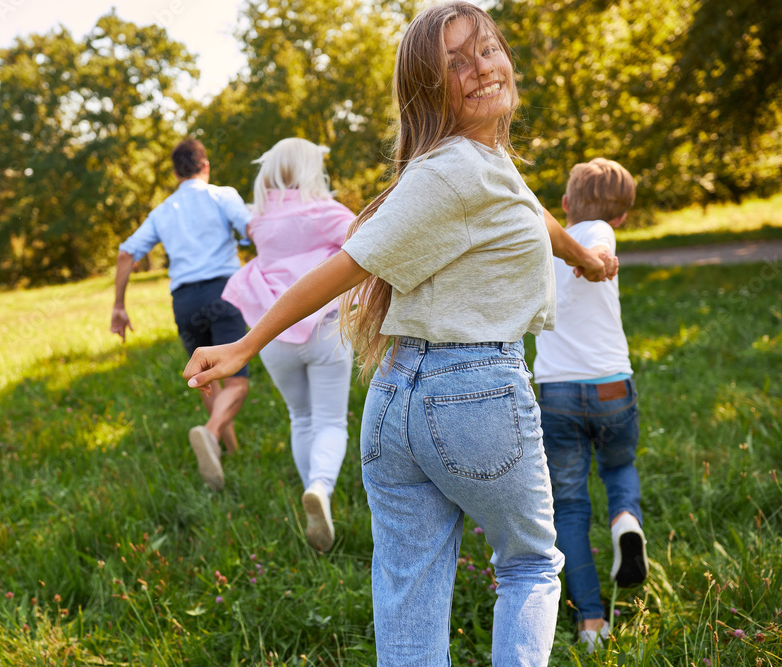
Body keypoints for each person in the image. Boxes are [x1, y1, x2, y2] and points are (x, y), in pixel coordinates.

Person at [183, 3, 618, 664]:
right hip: (475, 393)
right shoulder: (454, 171)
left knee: (409, 591)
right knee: (530, 564)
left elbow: (531, 212)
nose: (481, 69)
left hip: (396, 406)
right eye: (456, 63)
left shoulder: (481, 163)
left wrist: (584, 257)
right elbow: (346, 265)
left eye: (487, 50)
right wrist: (245, 344)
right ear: (428, 90)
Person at [532, 157, 647, 653]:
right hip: (611, 387)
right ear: (622, 215)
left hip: (557, 393)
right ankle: (625, 521)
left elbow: (597, 248)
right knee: (619, 467)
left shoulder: (548, 241)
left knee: (571, 505)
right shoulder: (602, 230)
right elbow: (600, 245)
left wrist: (597, 257)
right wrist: (600, 257)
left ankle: (591, 622)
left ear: (565, 204)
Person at [222, 138, 356, 552]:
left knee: (301, 417)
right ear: (311, 169)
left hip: (272, 333)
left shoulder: (259, 220)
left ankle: (312, 497)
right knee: (331, 421)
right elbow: (369, 246)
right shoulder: (326, 211)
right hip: (324, 329)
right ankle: (321, 488)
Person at [112, 138, 251, 492]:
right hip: (224, 292)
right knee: (236, 381)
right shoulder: (222, 195)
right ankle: (211, 433)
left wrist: (119, 306)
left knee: (205, 378)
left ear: (175, 174)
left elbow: (126, 254)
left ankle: (228, 451)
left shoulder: (163, 211)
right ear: (206, 166)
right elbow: (252, 229)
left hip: (185, 301)